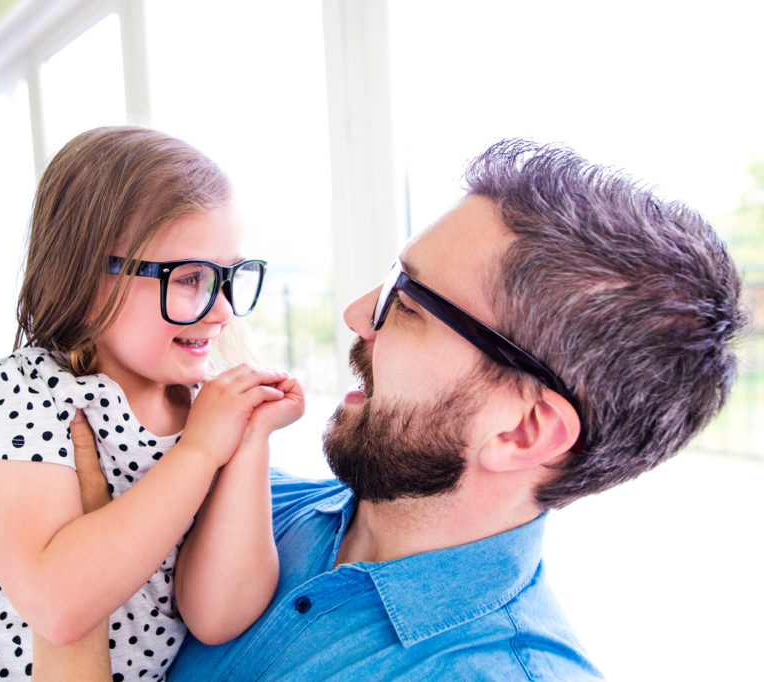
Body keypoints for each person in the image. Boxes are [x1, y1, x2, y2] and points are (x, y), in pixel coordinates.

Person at [165, 139, 746, 678]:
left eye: (412, 305)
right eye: (390, 280)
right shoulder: (238, 501)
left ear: (523, 430)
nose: (357, 314)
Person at [0, 126, 304, 681]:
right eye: (190, 278)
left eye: (230, 277)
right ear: (85, 278)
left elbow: (218, 615)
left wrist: (248, 437)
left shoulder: (201, 404)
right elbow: (57, 609)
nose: (222, 311)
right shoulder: (34, 395)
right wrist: (198, 454)